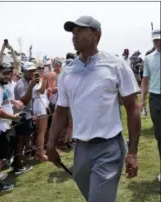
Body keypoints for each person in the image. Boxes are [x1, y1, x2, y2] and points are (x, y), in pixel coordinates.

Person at [47, 16, 141, 202]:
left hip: (109, 147)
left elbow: (132, 108)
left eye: (80, 31)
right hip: (81, 148)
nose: (74, 36)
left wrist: (132, 152)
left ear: (96, 34)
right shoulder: (68, 71)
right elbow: (60, 111)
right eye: (73, 33)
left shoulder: (116, 65)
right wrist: (50, 143)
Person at [140, 28, 161, 182]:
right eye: (155, 40)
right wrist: (142, 100)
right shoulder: (148, 58)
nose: (158, 42)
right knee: (160, 136)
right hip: (155, 99)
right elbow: (145, 80)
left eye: (160, 39)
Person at [13, 62, 37, 175]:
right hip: (21, 115)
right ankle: (18, 165)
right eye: (29, 71)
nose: (32, 73)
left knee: (25, 140)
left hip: (26, 115)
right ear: (24, 71)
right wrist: (31, 87)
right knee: (20, 141)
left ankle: (20, 162)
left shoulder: (27, 82)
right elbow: (23, 101)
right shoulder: (22, 84)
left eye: (33, 70)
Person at [32, 65, 49, 161]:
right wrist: (45, 80)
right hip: (39, 108)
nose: (41, 71)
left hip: (42, 107)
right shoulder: (35, 82)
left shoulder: (40, 81)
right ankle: (40, 153)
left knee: (42, 132)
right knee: (41, 132)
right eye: (39, 70)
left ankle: (40, 151)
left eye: (42, 70)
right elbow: (42, 92)